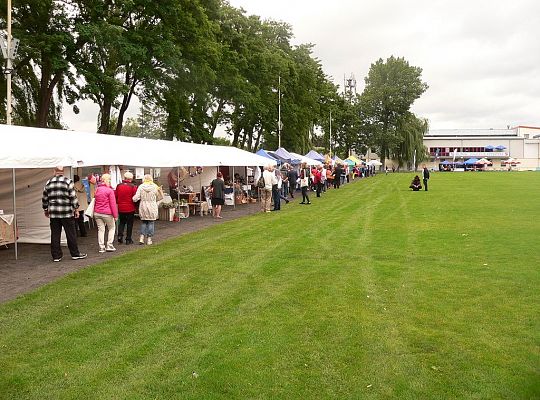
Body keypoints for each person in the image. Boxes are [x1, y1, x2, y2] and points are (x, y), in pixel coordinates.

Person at [42, 166, 87, 262]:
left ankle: (56, 256)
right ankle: (75, 254)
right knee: (71, 234)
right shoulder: (68, 181)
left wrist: (46, 209)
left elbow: (45, 198)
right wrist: (76, 209)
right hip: (66, 212)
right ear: (63, 172)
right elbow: (73, 197)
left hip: (54, 213)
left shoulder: (48, 182)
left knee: (55, 234)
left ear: (54, 171)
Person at [133, 174, 163, 245]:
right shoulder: (155, 187)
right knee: (151, 222)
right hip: (152, 205)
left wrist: (133, 199)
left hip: (143, 206)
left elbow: (136, 198)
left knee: (144, 222)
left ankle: (141, 237)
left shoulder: (141, 186)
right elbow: (160, 197)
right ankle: (149, 239)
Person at [94, 173, 118, 253]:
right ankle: (109, 245)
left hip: (97, 212)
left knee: (101, 230)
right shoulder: (110, 190)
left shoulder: (97, 189)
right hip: (107, 213)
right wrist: (115, 215)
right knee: (112, 228)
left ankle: (101, 247)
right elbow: (113, 204)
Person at [115, 171, 138, 244]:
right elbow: (135, 197)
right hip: (130, 207)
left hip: (121, 207)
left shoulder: (119, 186)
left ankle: (120, 236)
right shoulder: (133, 186)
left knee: (121, 222)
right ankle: (128, 239)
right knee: (129, 223)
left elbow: (116, 196)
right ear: (131, 178)